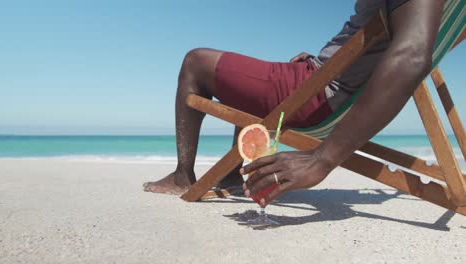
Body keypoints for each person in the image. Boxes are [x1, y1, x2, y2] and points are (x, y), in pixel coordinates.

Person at [143, 0, 445, 205]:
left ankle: (183, 176)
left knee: (195, 62)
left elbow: (412, 56)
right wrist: (325, 61)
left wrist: (322, 158)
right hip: (323, 83)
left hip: (314, 91)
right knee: (247, 77)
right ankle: (234, 171)